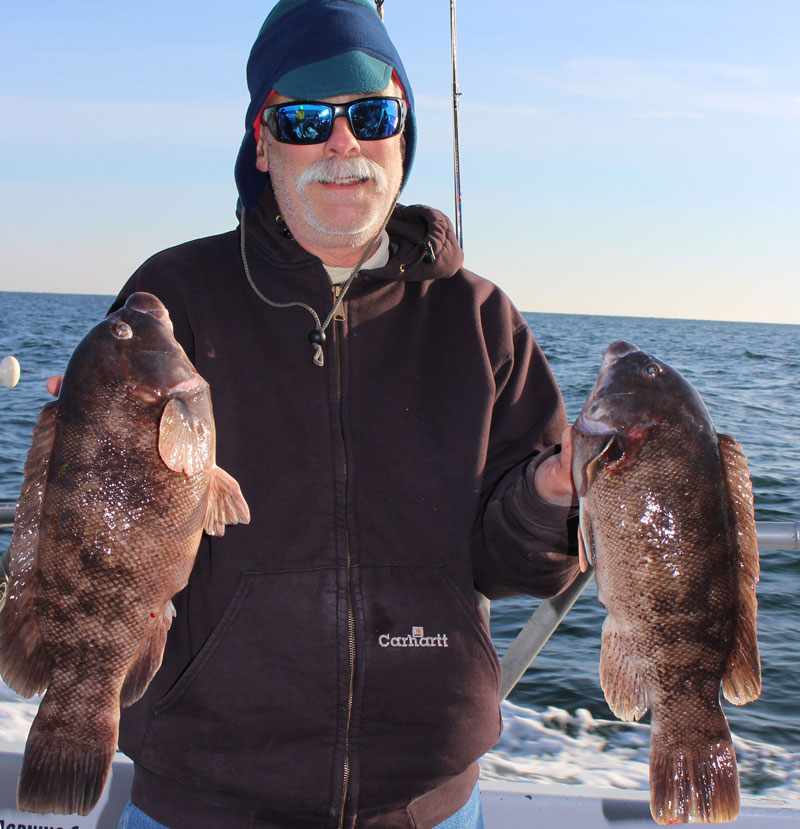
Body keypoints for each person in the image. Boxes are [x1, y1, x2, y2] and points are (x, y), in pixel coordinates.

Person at [103, 0, 580, 826]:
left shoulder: (480, 319)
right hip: (200, 795)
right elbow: (106, 528)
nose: (342, 143)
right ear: (261, 141)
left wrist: (554, 494)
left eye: (370, 114)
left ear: (404, 130)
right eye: (304, 119)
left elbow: (520, 566)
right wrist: (85, 446)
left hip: (426, 799)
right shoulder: (173, 297)